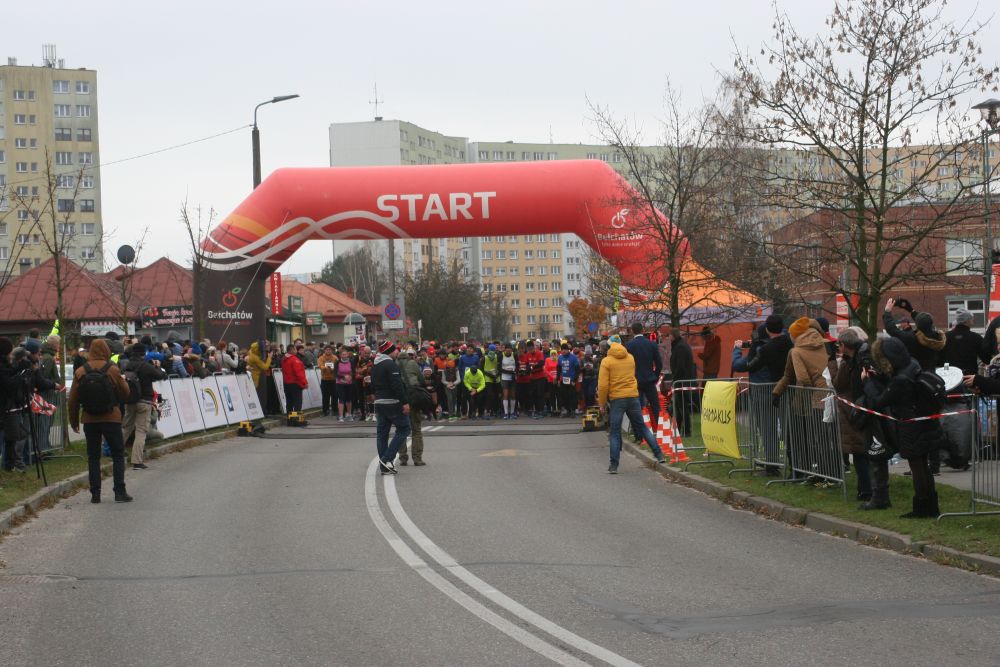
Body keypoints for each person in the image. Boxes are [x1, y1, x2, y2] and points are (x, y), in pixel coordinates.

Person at [865, 337, 942, 518]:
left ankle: (921, 508)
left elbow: (878, 402)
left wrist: (868, 383)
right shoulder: (912, 364)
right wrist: (881, 377)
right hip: (924, 421)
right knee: (923, 465)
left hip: (911, 425)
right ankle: (931, 506)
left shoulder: (901, 379)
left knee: (917, 467)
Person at [68, 339, 133, 503]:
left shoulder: (81, 371)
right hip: (111, 417)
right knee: (118, 454)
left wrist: (74, 421)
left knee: (93, 457)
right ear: (106, 351)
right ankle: (119, 491)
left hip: (89, 419)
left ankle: (95, 494)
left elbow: (73, 400)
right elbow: (126, 393)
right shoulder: (112, 369)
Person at [772, 318, 832, 481]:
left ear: (796, 335)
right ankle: (827, 473)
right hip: (829, 394)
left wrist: (777, 393)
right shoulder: (824, 344)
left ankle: (806, 472)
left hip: (808, 399)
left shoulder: (796, 351)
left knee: (801, 437)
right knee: (824, 437)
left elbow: (799, 377)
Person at [597, 338, 668, 473]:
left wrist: (602, 403)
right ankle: (659, 454)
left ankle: (614, 465)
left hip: (617, 398)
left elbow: (603, 385)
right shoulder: (630, 358)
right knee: (642, 426)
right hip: (632, 396)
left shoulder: (606, 361)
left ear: (608, 348)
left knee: (615, 432)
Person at [831, 327, 873, 504]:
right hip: (861, 406)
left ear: (844, 345)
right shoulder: (861, 357)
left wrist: (833, 363)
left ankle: (866, 491)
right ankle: (867, 489)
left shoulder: (853, 362)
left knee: (859, 452)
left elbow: (839, 384)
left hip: (856, 409)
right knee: (863, 451)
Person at [122, 343, 167, 470]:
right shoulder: (146, 366)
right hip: (144, 402)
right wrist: (158, 366)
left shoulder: (127, 365)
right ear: (144, 353)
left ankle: (116, 454)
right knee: (141, 431)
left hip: (130, 400)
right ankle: (137, 461)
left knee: (126, 428)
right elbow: (161, 376)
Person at [371, 340, 410, 474]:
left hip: (379, 401)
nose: (397, 352)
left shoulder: (376, 365)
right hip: (392, 401)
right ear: (390, 351)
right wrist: (405, 402)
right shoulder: (390, 364)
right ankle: (387, 458)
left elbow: (372, 384)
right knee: (404, 428)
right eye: (395, 349)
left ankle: (385, 466)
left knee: (382, 434)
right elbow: (397, 385)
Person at [626, 322, 663, 425]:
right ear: (642, 330)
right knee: (655, 406)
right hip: (649, 379)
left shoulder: (628, 345)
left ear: (632, 331)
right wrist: (655, 376)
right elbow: (659, 363)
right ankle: (660, 428)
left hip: (635, 380)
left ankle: (641, 430)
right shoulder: (651, 344)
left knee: (637, 407)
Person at [397, 347, 427, 464]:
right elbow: (421, 379)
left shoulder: (394, 365)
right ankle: (417, 458)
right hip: (413, 399)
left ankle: (403, 458)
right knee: (416, 429)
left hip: (400, 400)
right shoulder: (413, 363)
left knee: (401, 429)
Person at [669, 329, 696, 436]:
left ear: (673, 336)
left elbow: (680, 366)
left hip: (681, 381)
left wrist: (675, 378)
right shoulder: (681, 345)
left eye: (669, 336)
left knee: (682, 407)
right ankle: (679, 429)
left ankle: (686, 430)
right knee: (679, 406)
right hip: (682, 381)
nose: (669, 338)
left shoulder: (680, 347)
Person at [944, 308, 985, 375]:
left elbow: (940, 358)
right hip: (970, 376)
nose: (973, 320)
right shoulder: (976, 337)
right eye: (971, 319)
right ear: (967, 321)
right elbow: (985, 358)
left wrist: (946, 370)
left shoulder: (945, 336)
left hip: (950, 376)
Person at [281, 344, 308, 417]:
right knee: (297, 402)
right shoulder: (294, 359)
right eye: (295, 349)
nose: (296, 351)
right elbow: (299, 373)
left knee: (289, 402)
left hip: (286, 383)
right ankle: (296, 419)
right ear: (292, 350)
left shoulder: (284, 359)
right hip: (295, 384)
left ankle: (289, 418)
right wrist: (304, 383)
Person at [556, 343, 581, 416]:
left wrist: (574, 379)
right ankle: (567, 410)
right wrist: (558, 378)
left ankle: (573, 409)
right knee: (564, 395)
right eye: (562, 350)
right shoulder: (560, 357)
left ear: (568, 350)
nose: (563, 351)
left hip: (571, 379)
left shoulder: (573, 357)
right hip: (563, 379)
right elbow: (559, 368)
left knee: (572, 395)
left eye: (565, 350)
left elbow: (577, 369)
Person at [333, 347, 356, 421]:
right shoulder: (337, 362)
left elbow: (353, 371)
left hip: (349, 383)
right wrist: (343, 377)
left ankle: (349, 415)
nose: (344, 356)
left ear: (347, 355)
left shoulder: (351, 362)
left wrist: (350, 377)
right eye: (343, 354)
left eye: (345, 354)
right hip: (340, 383)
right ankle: (341, 416)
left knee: (349, 399)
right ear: (340, 355)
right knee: (341, 399)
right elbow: (335, 373)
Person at [317, 345, 338, 417]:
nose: (328, 351)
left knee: (334, 396)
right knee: (325, 397)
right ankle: (325, 411)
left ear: (332, 351)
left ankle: (335, 410)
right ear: (324, 350)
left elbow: (337, 367)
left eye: (329, 349)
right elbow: (320, 366)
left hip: (333, 380)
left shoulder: (335, 358)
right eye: (327, 349)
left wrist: (332, 368)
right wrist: (325, 367)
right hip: (324, 380)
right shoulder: (321, 358)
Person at [499, 344, 518, 419]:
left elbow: (517, 365)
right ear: (505, 350)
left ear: (511, 350)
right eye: (507, 351)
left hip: (513, 378)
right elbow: (499, 368)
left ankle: (512, 412)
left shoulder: (514, 355)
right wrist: (509, 372)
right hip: (505, 378)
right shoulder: (501, 356)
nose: (508, 352)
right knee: (505, 395)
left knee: (513, 395)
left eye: (510, 351)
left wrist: (515, 372)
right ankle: (506, 413)